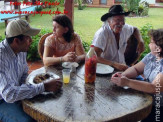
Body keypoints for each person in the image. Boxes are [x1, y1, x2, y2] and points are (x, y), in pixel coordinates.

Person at [0, 19, 62, 122]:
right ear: (16, 41)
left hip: (17, 92)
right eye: (28, 38)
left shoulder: (20, 49)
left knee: (48, 108)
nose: (31, 40)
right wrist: (44, 87)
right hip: (3, 101)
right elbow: (9, 94)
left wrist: (35, 85)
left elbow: (24, 73)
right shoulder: (1, 57)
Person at [111, 29, 163, 122]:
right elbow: (136, 69)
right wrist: (122, 75)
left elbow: (154, 88)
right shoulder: (151, 56)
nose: (149, 45)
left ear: (159, 47)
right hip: (146, 98)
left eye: (151, 42)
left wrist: (127, 82)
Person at [92, 5, 144, 71]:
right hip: (105, 69)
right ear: (109, 21)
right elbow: (94, 56)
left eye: (123, 20)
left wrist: (141, 41)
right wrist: (114, 64)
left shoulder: (124, 28)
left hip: (122, 67)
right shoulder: (102, 33)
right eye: (118, 20)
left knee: (140, 79)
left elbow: (135, 29)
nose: (121, 23)